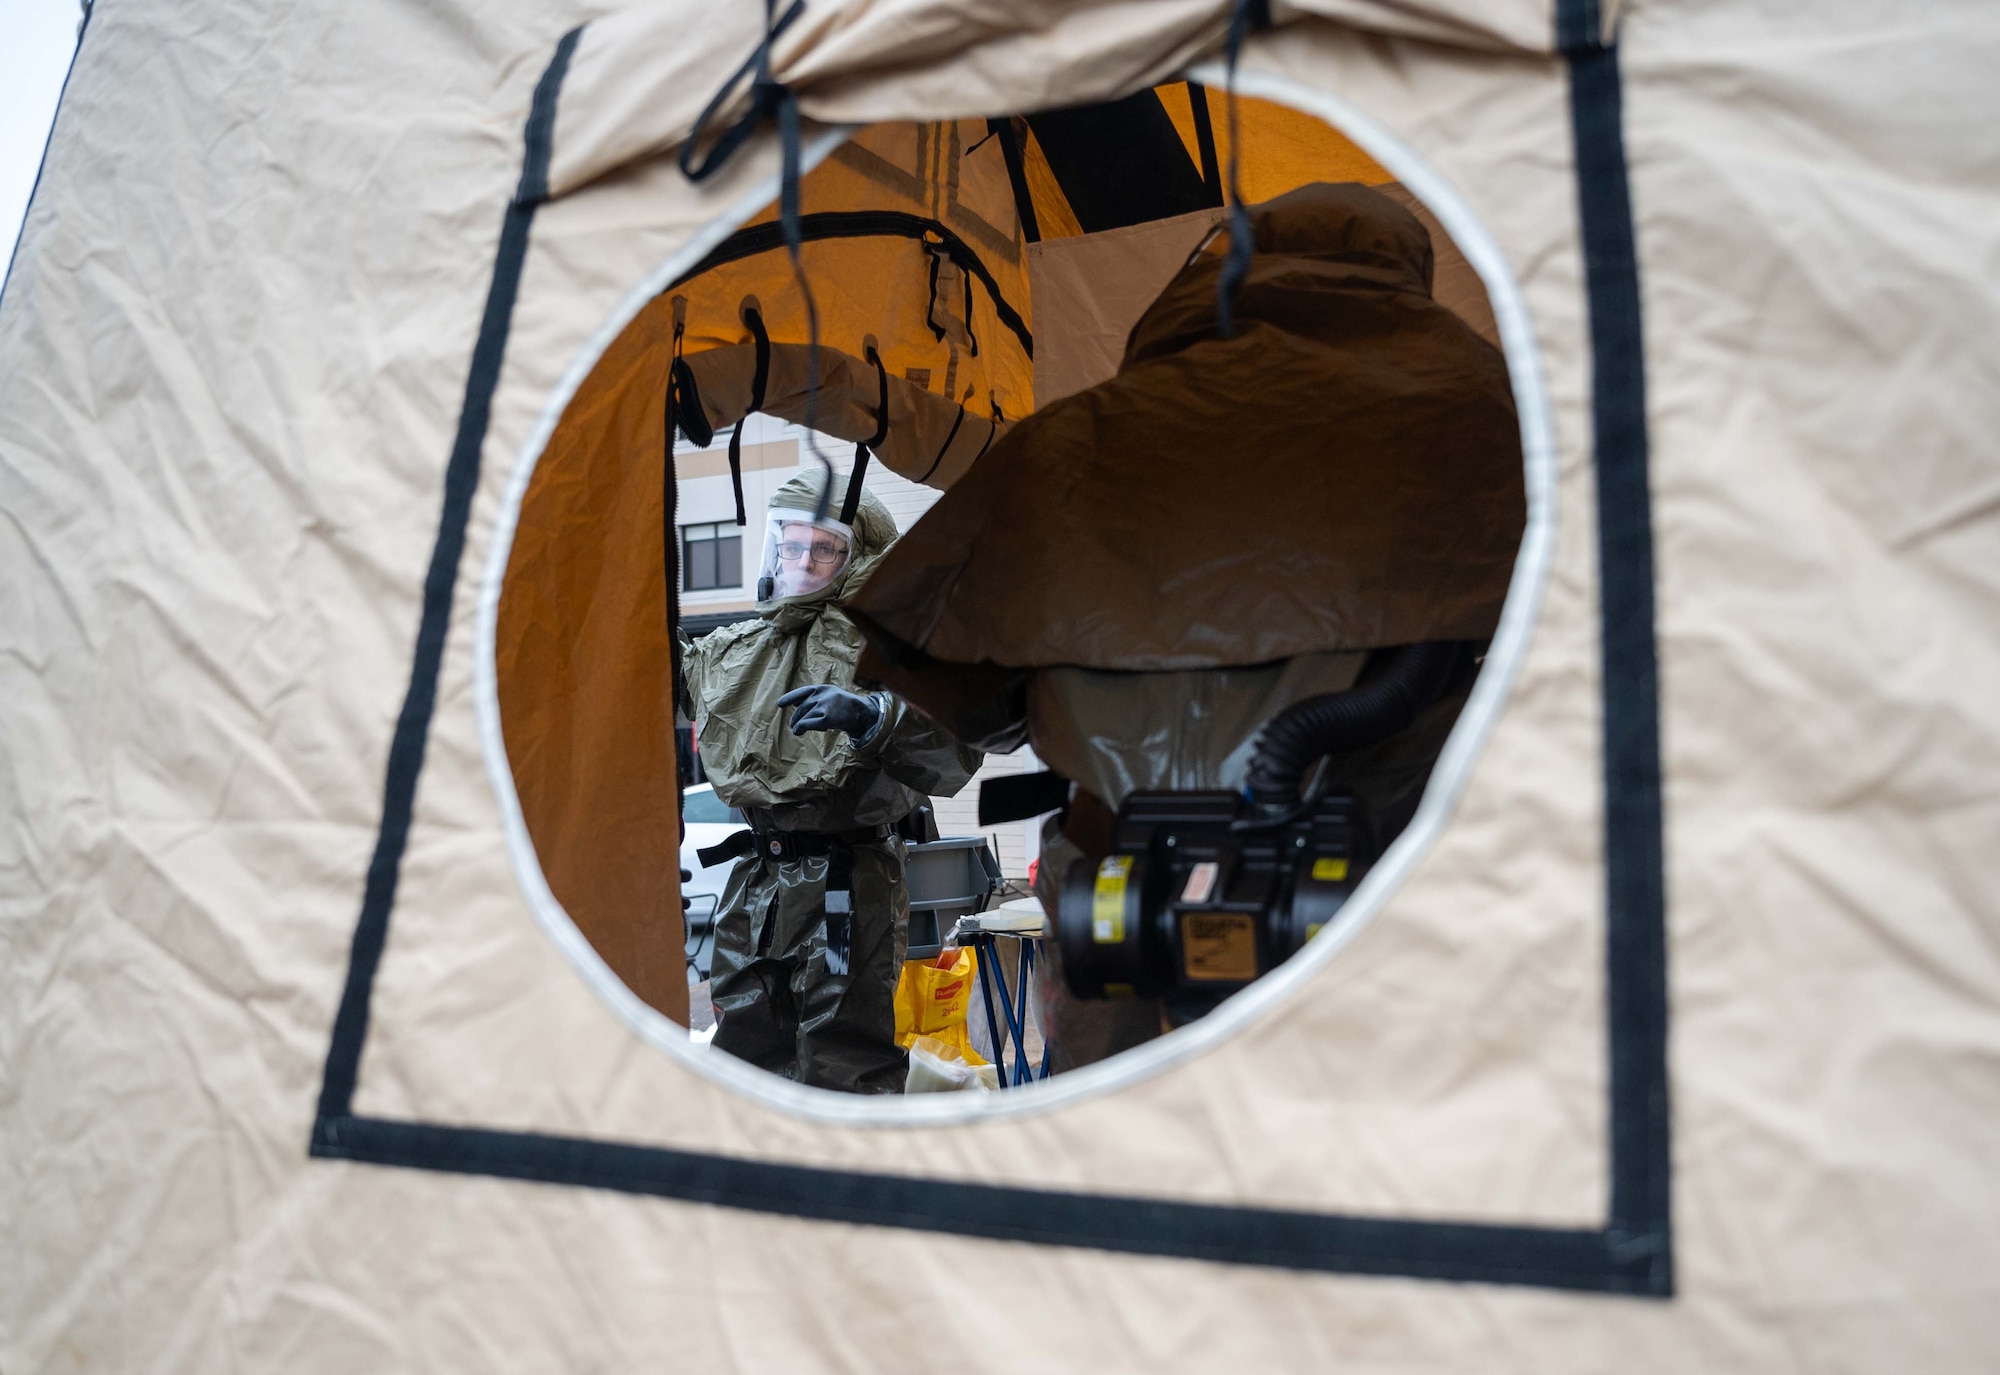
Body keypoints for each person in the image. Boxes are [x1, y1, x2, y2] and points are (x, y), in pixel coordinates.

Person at [680, 472, 982, 1093]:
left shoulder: (896, 644)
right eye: (791, 546)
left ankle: (850, 1179)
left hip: (846, 888)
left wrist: (872, 716)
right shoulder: (744, 647)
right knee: (744, 1040)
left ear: (859, 555)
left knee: (842, 1048)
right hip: (757, 879)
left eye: (824, 548)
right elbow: (681, 673)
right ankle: (764, 1176)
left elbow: (953, 746)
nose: (802, 561)